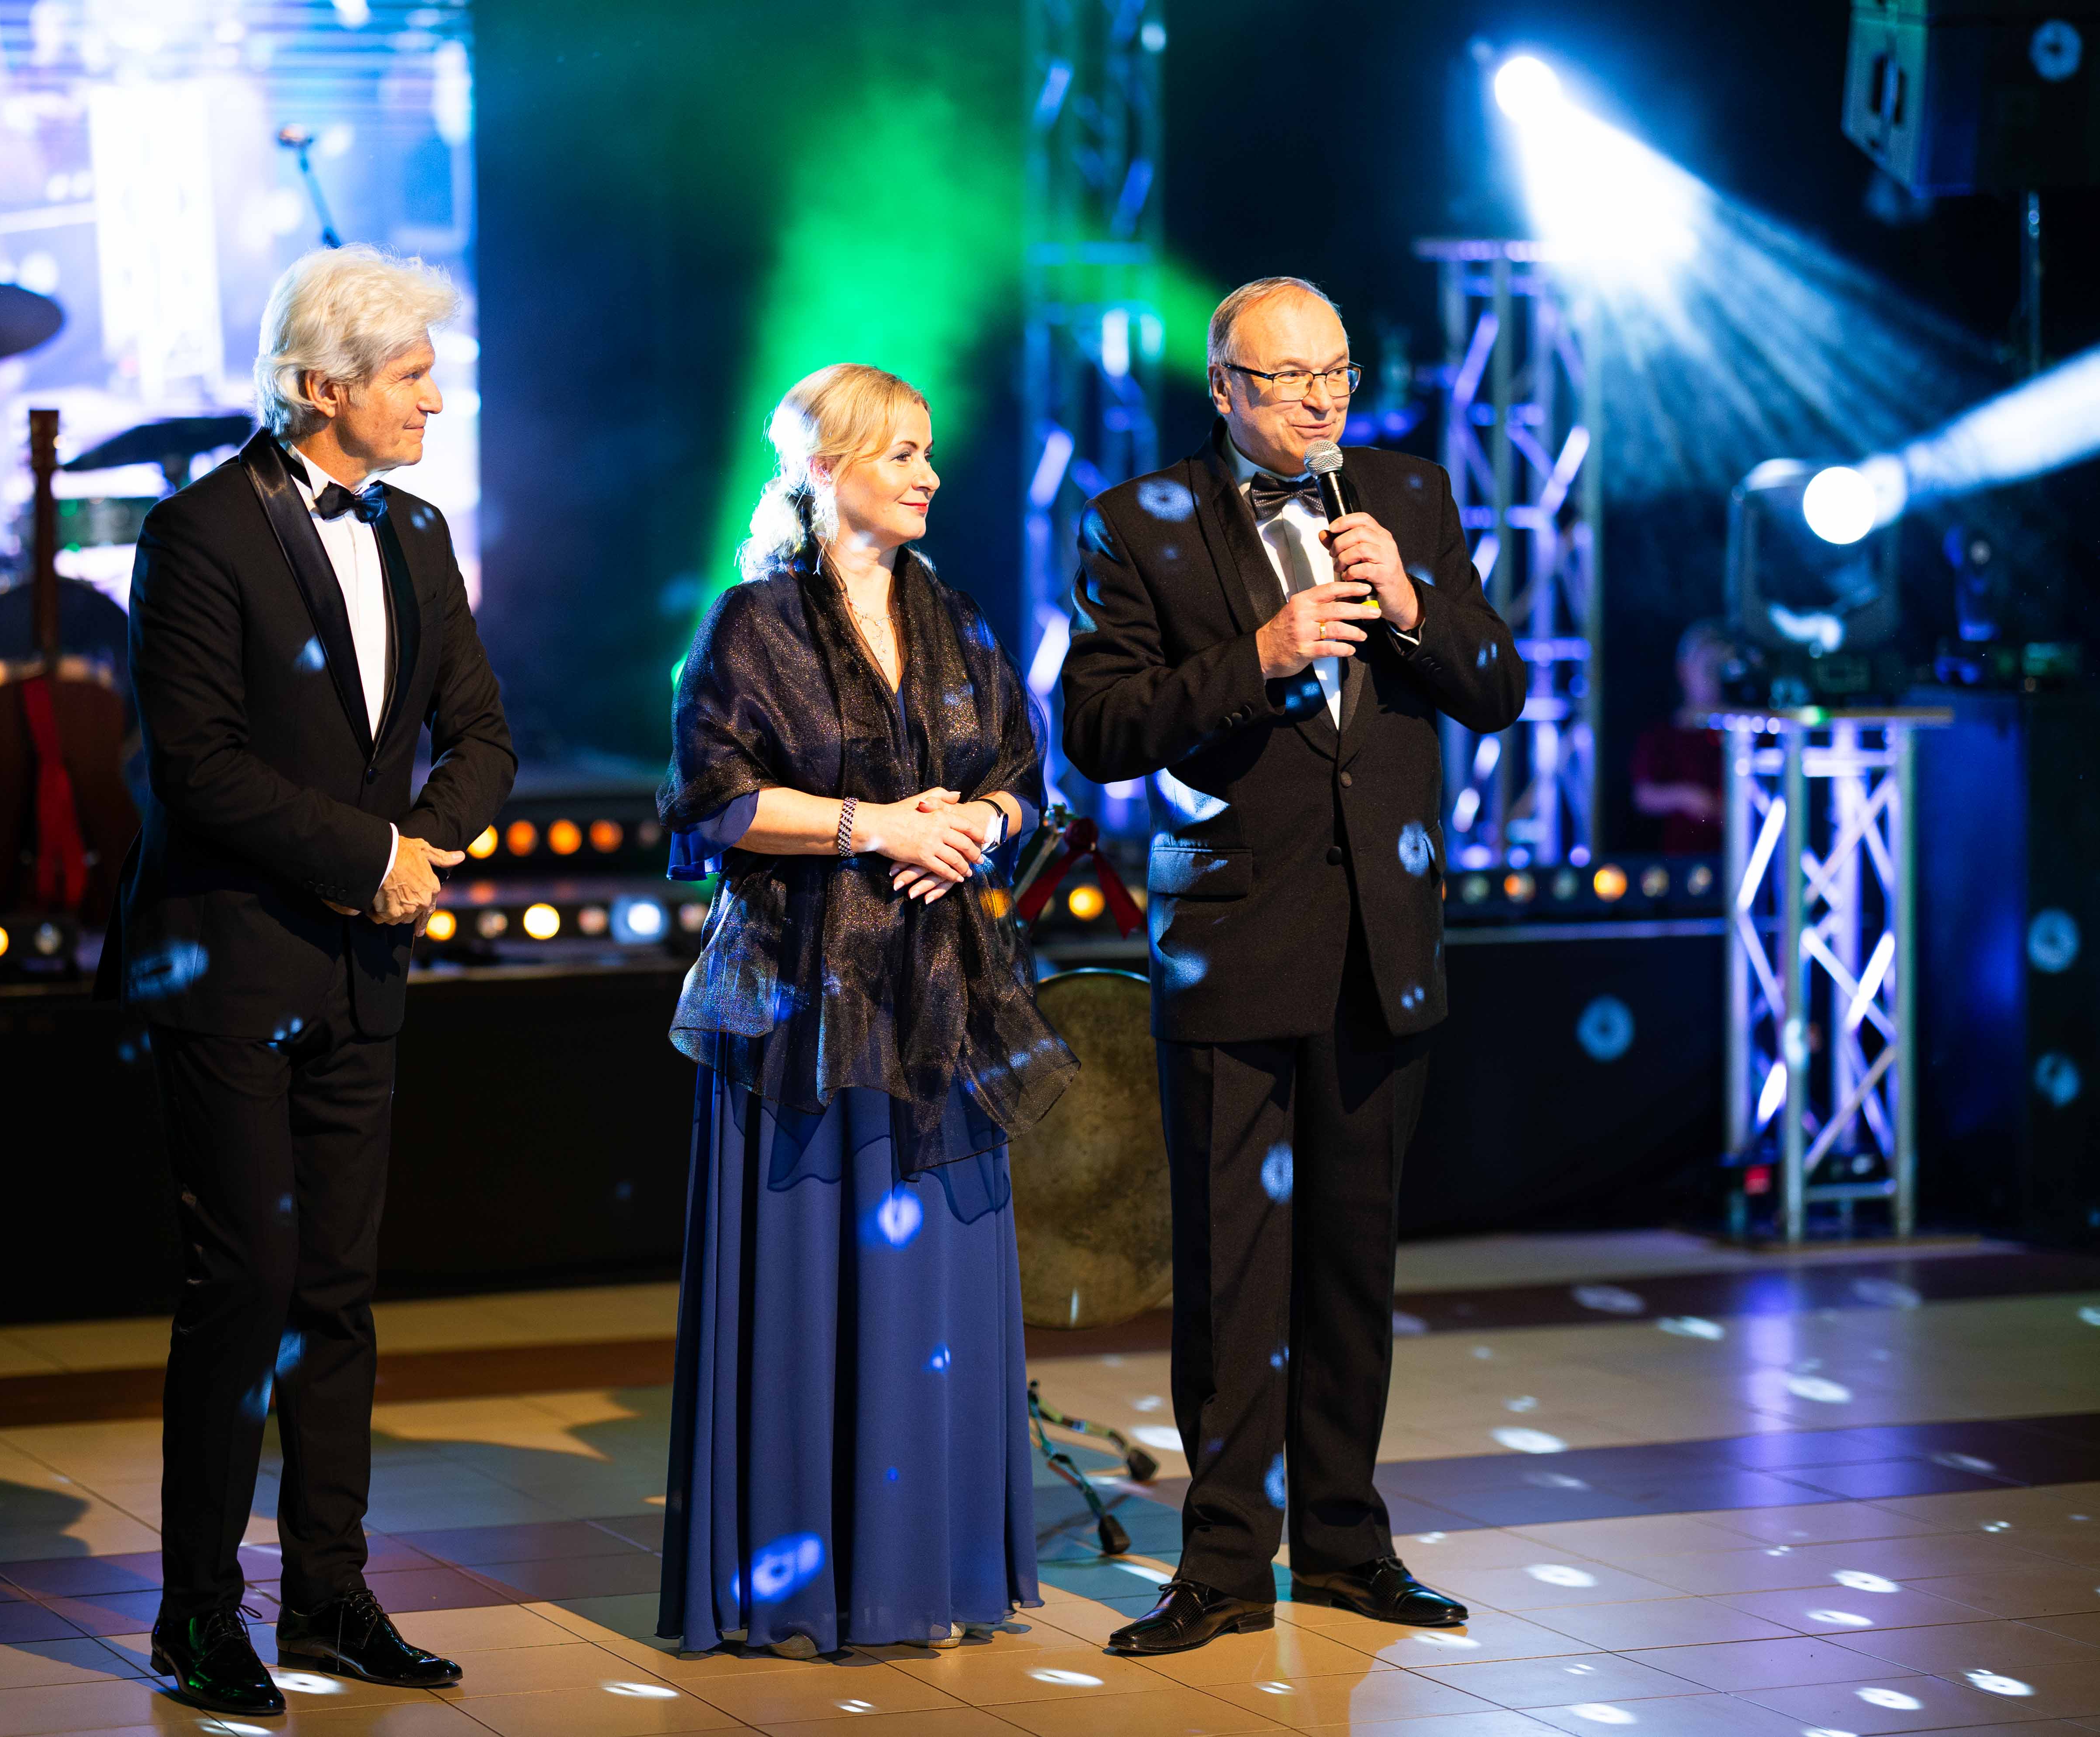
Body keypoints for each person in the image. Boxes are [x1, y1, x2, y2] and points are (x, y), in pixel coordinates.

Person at [1061, 277, 1524, 1652]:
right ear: (1223, 388)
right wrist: (1257, 656)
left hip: (1383, 936)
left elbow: (1495, 688)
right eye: (1285, 380)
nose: (1319, 402)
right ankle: (1219, 1561)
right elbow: (1098, 727)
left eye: (1335, 373)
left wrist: (1415, 604)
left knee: (1351, 1259)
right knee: (1232, 1269)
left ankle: (1342, 1542)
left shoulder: (1410, 494)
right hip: (1232, 936)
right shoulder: (1139, 519)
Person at [97, 245, 515, 1717]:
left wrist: (419, 851)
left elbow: (482, 735)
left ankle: (329, 1595)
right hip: (229, 960)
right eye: (411, 377)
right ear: (319, 385)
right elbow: (196, 768)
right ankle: (196, 1613)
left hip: (361, 959)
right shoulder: (198, 531)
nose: (435, 402)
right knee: (246, 1286)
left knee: (337, 1292)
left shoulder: (419, 529)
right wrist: (370, 855)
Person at [657, 363, 1077, 1659]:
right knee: (805, 1293)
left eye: (927, 450)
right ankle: (802, 1580)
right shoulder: (753, 625)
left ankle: (927, 1566)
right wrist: (873, 826)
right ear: (824, 470)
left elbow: (1025, 777)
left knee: (932, 1298)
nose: (927, 473)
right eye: (899, 452)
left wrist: (976, 824)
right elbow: (715, 801)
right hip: (800, 1004)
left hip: (942, 1002)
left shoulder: (955, 617)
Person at [1628, 619, 1735, 854]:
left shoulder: (1741, 736)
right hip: (1680, 860)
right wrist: (1687, 797)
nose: (1715, 680)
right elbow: (1644, 796)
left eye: (1722, 669)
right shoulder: (1661, 737)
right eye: (1708, 668)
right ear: (1684, 671)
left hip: (1736, 858)